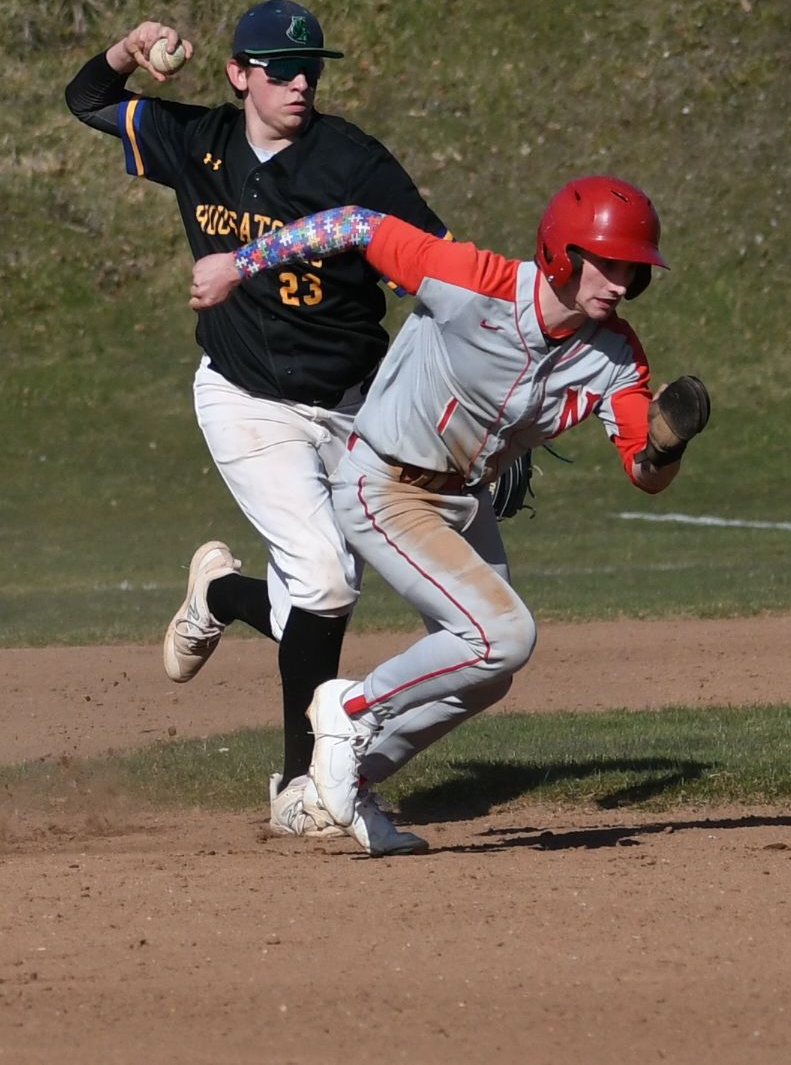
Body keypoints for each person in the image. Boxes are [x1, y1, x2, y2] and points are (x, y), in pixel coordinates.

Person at [190, 176, 711, 854]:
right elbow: (354, 223)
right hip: (383, 484)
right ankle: (351, 707)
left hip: (461, 500)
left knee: (488, 673)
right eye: (608, 264)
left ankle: (339, 785)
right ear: (562, 252)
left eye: (632, 271)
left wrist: (667, 445)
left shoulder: (613, 356)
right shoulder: (473, 281)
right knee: (504, 637)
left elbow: (644, 473)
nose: (620, 283)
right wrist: (240, 264)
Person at [64, 0, 451, 839]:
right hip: (245, 398)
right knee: (325, 582)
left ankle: (220, 593)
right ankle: (299, 790)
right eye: (280, 70)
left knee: (319, 599)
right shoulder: (195, 140)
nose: (299, 83)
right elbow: (87, 100)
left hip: (353, 407)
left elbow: (438, 270)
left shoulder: (350, 160)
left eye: (310, 68)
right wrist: (128, 48)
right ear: (239, 74)